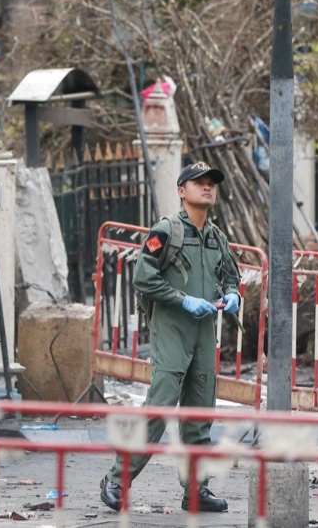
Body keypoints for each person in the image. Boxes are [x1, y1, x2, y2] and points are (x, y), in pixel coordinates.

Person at [100, 161, 241, 514]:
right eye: (199, 182)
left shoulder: (216, 237)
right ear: (182, 191)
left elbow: (230, 276)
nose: (207, 187)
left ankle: (196, 489)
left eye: (211, 183)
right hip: (171, 327)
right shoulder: (165, 231)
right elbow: (143, 278)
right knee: (159, 407)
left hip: (204, 330)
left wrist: (232, 293)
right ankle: (116, 480)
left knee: (200, 412)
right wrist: (183, 300)